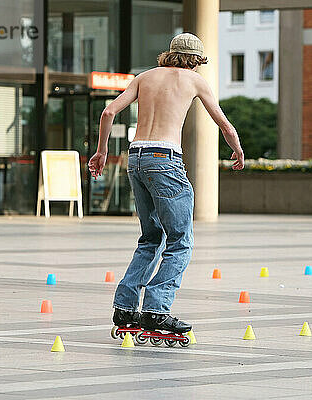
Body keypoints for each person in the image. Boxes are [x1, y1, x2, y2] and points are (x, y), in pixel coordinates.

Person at [88, 33, 244, 335]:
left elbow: (109, 111)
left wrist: (102, 151)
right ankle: (156, 310)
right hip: (165, 158)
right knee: (180, 240)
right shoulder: (194, 81)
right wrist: (236, 150)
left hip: (136, 157)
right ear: (195, 60)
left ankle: (125, 308)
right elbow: (223, 124)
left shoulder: (144, 77)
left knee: (150, 238)